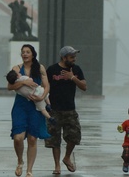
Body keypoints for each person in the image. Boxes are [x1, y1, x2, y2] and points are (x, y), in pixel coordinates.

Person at [7, 44, 50, 177]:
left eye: (27, 52)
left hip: (35, 106)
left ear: (33, 54)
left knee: (32, 138)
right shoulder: (17, 68)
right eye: (23, 52)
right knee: (18, 137)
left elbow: (47, 86)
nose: (25, 54)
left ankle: (29, 171)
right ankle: (20, 161)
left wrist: (42, 97)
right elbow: (10, 86)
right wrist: (24, 83)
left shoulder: (40, 68)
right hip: (20, 106)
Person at [45, 46, 87, 175]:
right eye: (72, 56)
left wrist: (72, 77)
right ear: (64, 57)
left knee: (74, 137)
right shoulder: (52, 70)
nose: (74, 59)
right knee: (54, 140)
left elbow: (84, 87)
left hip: (70, 109)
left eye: (75, 56)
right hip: (54, 110)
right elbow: (45, 87)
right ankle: (57, 165)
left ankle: (67, 157)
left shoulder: (76, 69)